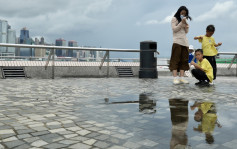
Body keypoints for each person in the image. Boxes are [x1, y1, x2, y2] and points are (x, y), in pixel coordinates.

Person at [169, 6, 192, 85]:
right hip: (177, 42)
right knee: (175, 60)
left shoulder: (185, 20)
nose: (183, 14)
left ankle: (182, 77)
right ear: (179, 12)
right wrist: (181, 23)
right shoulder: (174, 19)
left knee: (184, 60)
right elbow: (174, 29)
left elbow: (186, 32)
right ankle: (175, 77)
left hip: (185, 43)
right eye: (182, 13)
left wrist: (186, 26)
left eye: (185, 13)